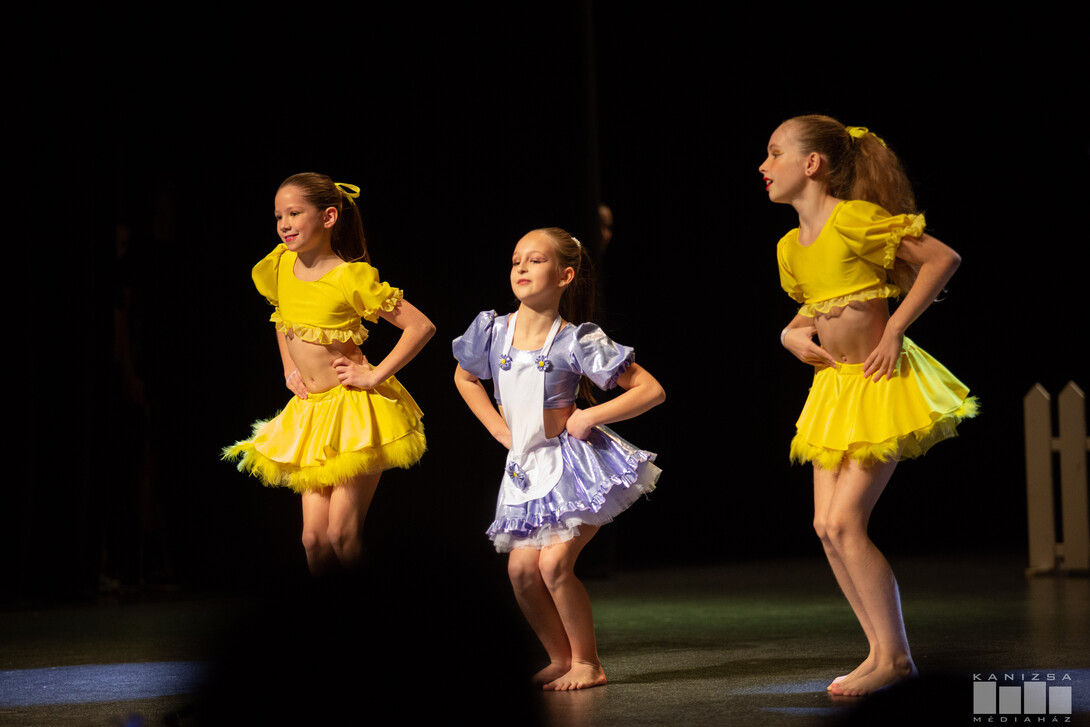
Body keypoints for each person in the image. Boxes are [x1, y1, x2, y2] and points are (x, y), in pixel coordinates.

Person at [760, 115, 978, 696]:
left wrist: (895, 330)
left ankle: (897, 659)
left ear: (812, 164)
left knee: (845, 523)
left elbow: (942, 259)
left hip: (880, 382)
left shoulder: (853, 218)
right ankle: (881, 651)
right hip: (835, 390)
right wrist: (790, 332)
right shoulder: (790, 247)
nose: (764, 166)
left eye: (775, 153)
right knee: (825, 526)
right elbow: (817, 307)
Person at [452, 227, 665, 691]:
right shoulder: (492, 331)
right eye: (516, 260)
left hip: (575, 466)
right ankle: (560, 658)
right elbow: (465, 377)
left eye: (535, 260)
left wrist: (590, 415)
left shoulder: (575, 340)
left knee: (553, 566)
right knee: (521, 571)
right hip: (526, 468)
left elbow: (650, 389)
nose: (522, 268)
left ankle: (588, 662)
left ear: (565, 276)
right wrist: (498, 429)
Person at [224, 173, 434, 576]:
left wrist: (373, 376)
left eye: (294, 213)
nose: (284, 224)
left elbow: (420, 326)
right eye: (278, 216)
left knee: (341, 534)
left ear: (329, 217)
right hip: (312, 412)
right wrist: (289, 368)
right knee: (313, 540)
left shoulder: (348, 276)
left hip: (354, 412)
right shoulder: (281, 265)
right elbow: (282, 318)